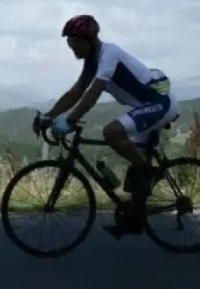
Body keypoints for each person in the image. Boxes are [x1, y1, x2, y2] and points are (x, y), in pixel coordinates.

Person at [33, 14, 180, 238]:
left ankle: (151, 174)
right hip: (147, 107)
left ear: (89, 40)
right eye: (69, 44)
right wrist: (49, 115)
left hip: (159, 104)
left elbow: (93, 94)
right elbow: (75, 93)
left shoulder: (109, 54)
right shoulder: (92, 62)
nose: (73, 49)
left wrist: (70, 121)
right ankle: (135, 219)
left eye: (75, 43)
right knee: (134, 181)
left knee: (111, 132)